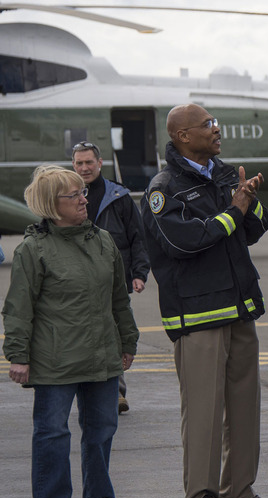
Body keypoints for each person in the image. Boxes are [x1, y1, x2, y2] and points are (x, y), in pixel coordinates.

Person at [140, 103, 268, 498]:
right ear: (183, 136)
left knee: (244, 406)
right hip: (199, 317)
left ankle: (238, 490)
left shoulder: (224, 175)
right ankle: (199, 497)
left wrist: (250, 202)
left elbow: (255, 229)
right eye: (207, 125)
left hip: (239, 310)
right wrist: (234, 210)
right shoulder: (164, 188)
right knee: (203, 413)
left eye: (215, 122)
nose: (216, 129)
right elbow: (185, 242)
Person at [3, 165, 137, 498]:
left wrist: (128, 341)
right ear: (51, 203)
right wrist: (18, 354)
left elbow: (118, 300)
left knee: (102, 430)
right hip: (54, 359)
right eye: (74, 195)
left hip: (101, 356)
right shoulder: (34, 249)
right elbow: (19, 307)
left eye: (83, 193)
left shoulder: (103, 240)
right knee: (52, 434)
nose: (84, 199)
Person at [72, 141, 150, 414]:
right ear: (73, 166)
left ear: (100, 162)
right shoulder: (65, 196)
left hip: (114, 280)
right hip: (75, 282)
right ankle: (87, 392)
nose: (84, 168)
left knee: (115, 335)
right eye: (79, 163)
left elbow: (138, 238)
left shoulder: (120, 197)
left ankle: (116, 393)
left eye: (89, 162)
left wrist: (139, 273)